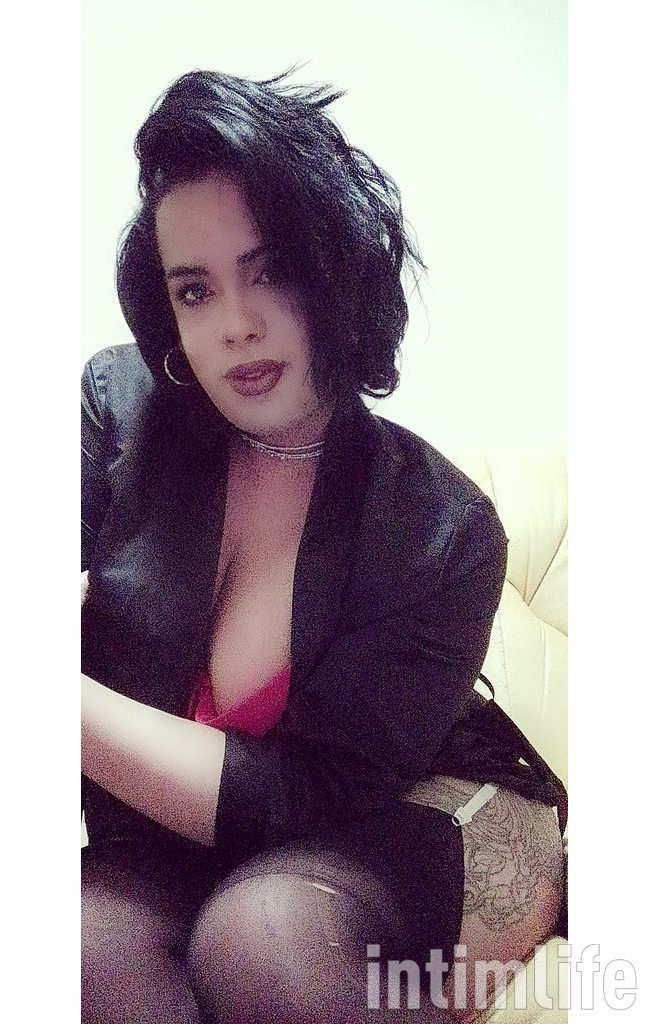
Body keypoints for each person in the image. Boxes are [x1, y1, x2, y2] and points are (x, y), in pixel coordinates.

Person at [81, 67, 567, 1023]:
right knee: (77, 944)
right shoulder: (114, 411)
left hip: (411, 801)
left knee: (261, 940)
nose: (236, 325)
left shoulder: (445, 530)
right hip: (182, 827)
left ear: (336, 273)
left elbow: (310, 794)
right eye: (195, 290)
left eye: (271, 270)